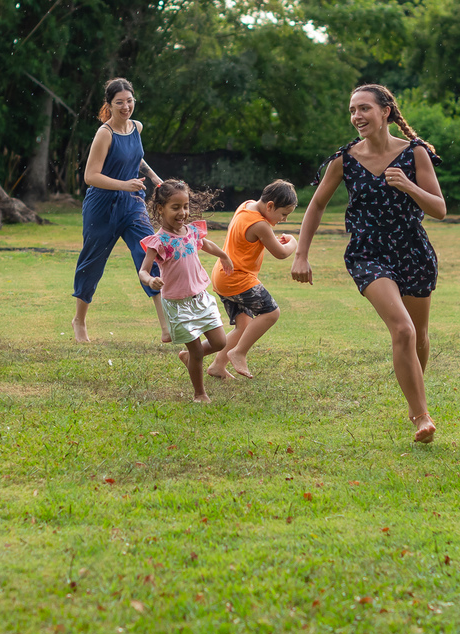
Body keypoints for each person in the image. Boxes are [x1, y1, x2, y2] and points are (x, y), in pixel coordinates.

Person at [291, 84, 445, 443]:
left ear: (385, 112)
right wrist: (301, 254)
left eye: (364, 109)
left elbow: (439, 209)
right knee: (403, 330)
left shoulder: (415, 153)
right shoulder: (344, 160)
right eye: (352, 110)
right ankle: (421, 416)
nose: (356, 116)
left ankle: (414, 396)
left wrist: (408, 186)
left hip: (413, 251)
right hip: (368, 253)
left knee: (420, 335)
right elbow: (316, 205)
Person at [72, 77, 167, 344]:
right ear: (110, 104)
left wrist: (155, 178)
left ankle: (166, 325)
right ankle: (79, 320)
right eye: (119, 103)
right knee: (92, 263)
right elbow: (90, 176)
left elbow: (136, 158)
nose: (126, 107)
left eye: (129, 101)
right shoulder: (105, 133)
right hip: (102, 206)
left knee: (150, 253)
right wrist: (124, 184)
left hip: (132, 204)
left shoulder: (137, 127)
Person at [138, 180, 233, 403]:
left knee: (220, 342)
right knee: (198, 351)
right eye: (176, 207)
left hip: (201, 298)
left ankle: (188, 358)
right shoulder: (158, 241)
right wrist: (150, 280)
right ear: (160, 209)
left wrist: (223, 255)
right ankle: (200, 393)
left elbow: (206, 244)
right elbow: (143, 270)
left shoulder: (191, 231)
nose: (183, 212)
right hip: (177, 304)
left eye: (186, 206)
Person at [207, 179, 299, 380]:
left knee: (244, 327)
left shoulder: (246, 205)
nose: (284, 220)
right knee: (272, 313)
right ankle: (239, 352)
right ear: (270, 206)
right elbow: (281, 253)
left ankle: (215, 365)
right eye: (284, 214)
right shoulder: (260, 224)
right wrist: (293, 242)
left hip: (223, 276)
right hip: (238, 280)